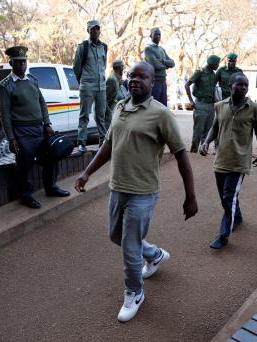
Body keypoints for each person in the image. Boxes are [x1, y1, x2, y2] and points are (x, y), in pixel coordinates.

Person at [74, 61, 198, 322]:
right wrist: (87, 172)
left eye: (143, 77)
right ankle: (154, 254)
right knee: (116, 236)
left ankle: (134, 292)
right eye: (132, 75)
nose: (135, 80)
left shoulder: (161, 113)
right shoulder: (120, 107)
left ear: (153, 83)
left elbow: (181, 153)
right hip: (117, 188)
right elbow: (108, 145)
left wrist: (191, 196)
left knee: (129, 248)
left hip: (143, 192)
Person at [0, 46, 70, 209]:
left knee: (51, 157)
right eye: (18, 62)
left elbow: (41, 102)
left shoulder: (32, 80)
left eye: (24, 62)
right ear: (11, 63)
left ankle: (50, 187)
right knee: (24, 165)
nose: (22, 65)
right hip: (22, 132)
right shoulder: (5, 86)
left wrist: (47, 123)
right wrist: (11, 138)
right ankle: (26, 195)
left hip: (40, 129)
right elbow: (5, 115)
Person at [200, 73, 257, 249]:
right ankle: (236, 217)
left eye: (245, 85)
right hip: (221, 159)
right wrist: (205, 142)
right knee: (225, 197)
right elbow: (214, 127)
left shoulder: (254, 108)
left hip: (239, 161)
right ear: (230, 86)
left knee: (229, 196)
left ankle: (224, 235)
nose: (243, 88)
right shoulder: (220, 106)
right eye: (239, 85)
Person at [73, 20, 108, 152]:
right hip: (87, 86)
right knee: (84, 115)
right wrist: (83, 82)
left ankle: (103, 141)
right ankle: (81, 142)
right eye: (93, 29)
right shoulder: (83, 46)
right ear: (88, 31)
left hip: (101, 87)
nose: (96, 31)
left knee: (101, 115)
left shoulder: (104, 47)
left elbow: (103, 66)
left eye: (98, 29)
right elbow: (76, 67)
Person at [185, 55, 220, 153]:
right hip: (200, 104)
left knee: (208, 130)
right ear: (211, 63)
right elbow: (187, 84)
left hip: (211, 105)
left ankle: (203, 149)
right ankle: (194, 150)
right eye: (217, 63)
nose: (218, 65)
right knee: (198, 130)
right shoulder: (200, 72)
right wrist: (191, 100)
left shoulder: (213, 74)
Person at [144, 27, 175, 106]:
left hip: (163, 82)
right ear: (151, 36)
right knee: (154, 106)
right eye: (155, 34)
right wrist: (166, 66)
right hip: (155, 82)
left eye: (159, 34)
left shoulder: (162, 49)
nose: (158, 36)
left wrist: (163, 61)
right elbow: (155, 65)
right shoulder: (148, 49)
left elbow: (172, 63)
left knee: (163, 107)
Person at [105, 59, 128, 130]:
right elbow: (107, 98)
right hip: (112, 113)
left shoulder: (117, 79)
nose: (123, 69)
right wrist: (109, 113)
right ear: (118, 68)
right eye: (122, 67)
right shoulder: (112, 80)